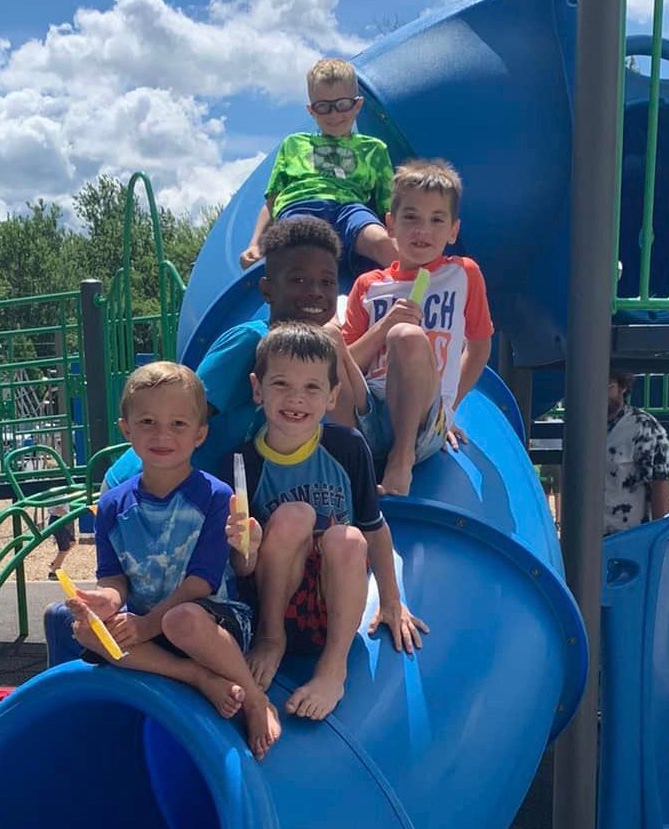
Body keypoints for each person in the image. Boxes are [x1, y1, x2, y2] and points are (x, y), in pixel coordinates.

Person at [65, 361, 281, 761]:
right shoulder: (112, 504)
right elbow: (114, 578)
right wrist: (105, 602)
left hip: (212, 620)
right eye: (147, 421)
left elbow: (201, 581)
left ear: (200, 434)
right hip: (152, 625)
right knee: (85, 631)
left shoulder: (214, 497)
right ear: (126, 429)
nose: (162, 434)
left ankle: (254, 699)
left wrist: (146, 625)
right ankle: (196, 676)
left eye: (178, 424)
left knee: (180, 620)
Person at [235, 323, 426, 721]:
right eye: (281, 384)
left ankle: (333, 667)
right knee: (294, 516)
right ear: (258, 389)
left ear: (332, 395)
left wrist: (392, 601)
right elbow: (242, 567)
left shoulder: (346, 447)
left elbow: (374, 528)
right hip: (275, 600)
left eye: (311, 388)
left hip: (330, 603)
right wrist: (245, 550)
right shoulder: (243, 465)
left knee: (348, 538)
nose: (295, 399)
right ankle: (272, 640)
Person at [101, 216, 367, 493]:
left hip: (206, 492)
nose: (315, 292)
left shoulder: (316, 355)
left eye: (327, 282)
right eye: (298, 280)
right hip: (146, 483)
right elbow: (184, 409)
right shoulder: (250, 342)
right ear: (266, 289)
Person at [342, 158, 493, 496]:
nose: (422, 230)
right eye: (411, 218)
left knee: (407, 335)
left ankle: (401, 460)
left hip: (422, 419)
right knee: (327, 343)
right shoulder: (369, 285)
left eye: (436, 220)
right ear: (391, 225)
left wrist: (449, 409)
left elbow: (480, 346)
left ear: (453, 230)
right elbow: (346, 362)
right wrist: (382, 327)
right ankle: (335, 463)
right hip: (367, 416)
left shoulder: (462, 275)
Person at [239, 58, 398, 273]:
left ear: (357, 104)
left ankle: (419, 295)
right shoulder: (294, 144)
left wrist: (395, 236)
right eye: (323, 107)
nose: (334, 114)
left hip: (350, 209)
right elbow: (272, 201)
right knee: (299, 252)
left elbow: (388, 206)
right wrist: (256, 243)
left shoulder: (373, 149)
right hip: (302, 207)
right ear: (311, 110)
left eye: (342, 105)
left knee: (384, 243)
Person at [602, 371, 669, 534]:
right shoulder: (580, 425)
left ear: (622, 388)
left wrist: (658, 534)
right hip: (585, 535)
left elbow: (660, 482)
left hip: (627, 534)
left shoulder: (644, 427)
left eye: (607, 386)